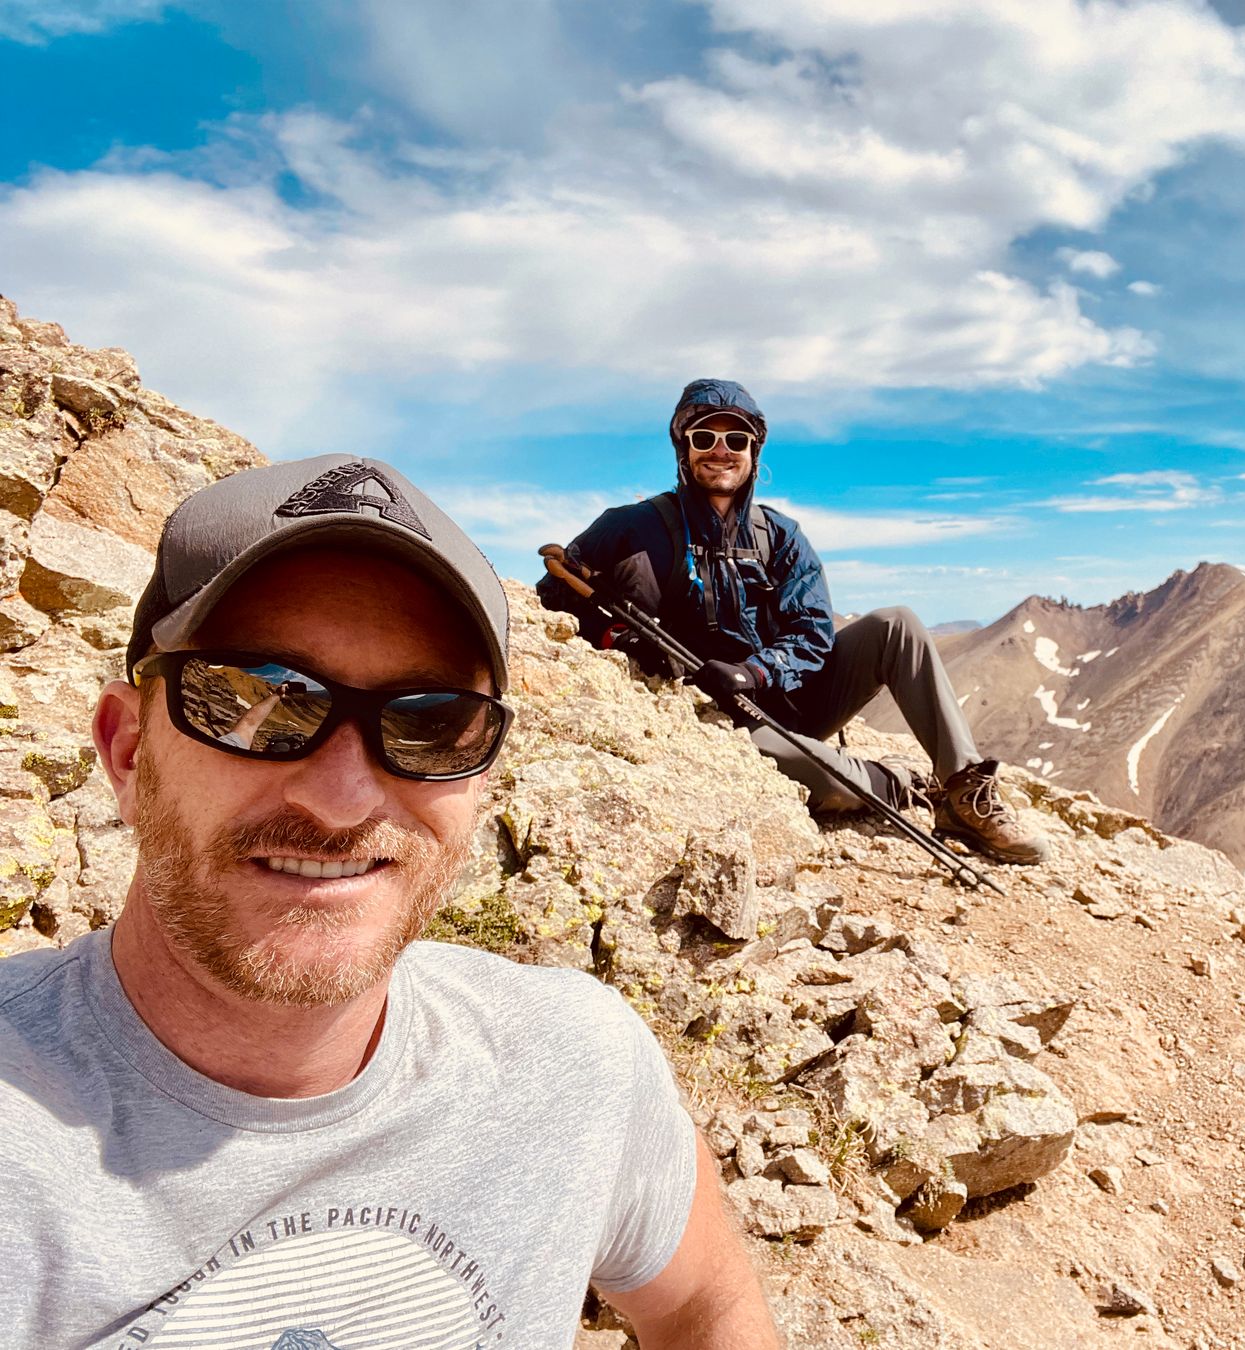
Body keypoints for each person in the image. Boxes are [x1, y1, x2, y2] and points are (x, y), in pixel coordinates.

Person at [0, 455, 780, 1348]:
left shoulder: (577, 1068)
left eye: (432, 721)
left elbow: (705, 1308)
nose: (341, 798)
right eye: (258, 699)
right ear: (129, 751)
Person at [539, 379, 1049, 865]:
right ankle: (897, 782)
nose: (721, 449)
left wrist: (755, 672)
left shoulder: (780, 535)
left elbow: (813, 633)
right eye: (705, 437)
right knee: (814, 778)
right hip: (724, 722)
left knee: (898, 623)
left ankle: (965, 792)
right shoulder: (631, 525)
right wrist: (617, 637)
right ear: (684, 447)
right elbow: (557, 595)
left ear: (753, 450)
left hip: (788, 696)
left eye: (735, 438)